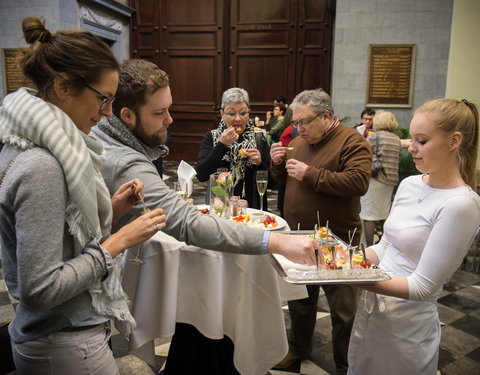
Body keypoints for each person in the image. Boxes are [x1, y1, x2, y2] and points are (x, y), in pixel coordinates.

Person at [93, 59, 320, 374]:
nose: (170, 120)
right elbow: (186, 222)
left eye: (169, 109)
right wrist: (277, 241)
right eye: (159, 113)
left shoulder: (105, 139)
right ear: (126, 115)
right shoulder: (127, 161)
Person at [0, 17, 167, 375]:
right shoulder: (42, 166)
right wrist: (116, 243)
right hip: (64, 342)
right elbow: (40, 288)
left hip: (55, 338)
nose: (107, 113)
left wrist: (111, 209)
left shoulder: (34, 143)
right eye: (103, 99)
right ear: (62, 87)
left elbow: (56, 236)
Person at [348, 98, 480, 375]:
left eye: (421, 140)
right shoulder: (410, 184)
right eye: (412, 138)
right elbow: (386, 247)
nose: (410, 147)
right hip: (373, 313)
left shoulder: (461, 204)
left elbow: (423, 287)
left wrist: (351, 276)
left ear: (454, 141)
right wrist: (343, 259)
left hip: (406, 328)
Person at [270, 89, 372, 374]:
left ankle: (345, 365)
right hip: (300, 239)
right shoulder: (301, 141)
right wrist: (277, 164)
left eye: (305, 122)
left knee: (343, 310)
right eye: (295, 123)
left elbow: (358, 182)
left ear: (326, 116)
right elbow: (284, 180)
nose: (298, 129)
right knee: (302, 302)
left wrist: (309, 174)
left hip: (336, 239)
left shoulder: (352, 141)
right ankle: (298, 349)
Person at [195, 87, 270, 209]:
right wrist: (222, 145)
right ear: (222, 114)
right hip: (220, 208)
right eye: (231, 113)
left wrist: (259, 163)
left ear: (249, 113)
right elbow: (201, 175)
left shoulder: (259, 137)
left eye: (243, 113)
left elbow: (272, 182)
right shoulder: (212, 137)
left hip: (252, 209)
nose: (238, 119)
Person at [360, 110, 402, 246]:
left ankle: (370, 247)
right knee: (383, 214)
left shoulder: (374, 137)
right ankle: (385, 244)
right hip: (390, 182)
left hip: (376, 180)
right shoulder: (396, 139)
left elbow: (363, 155)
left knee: (369, 215)